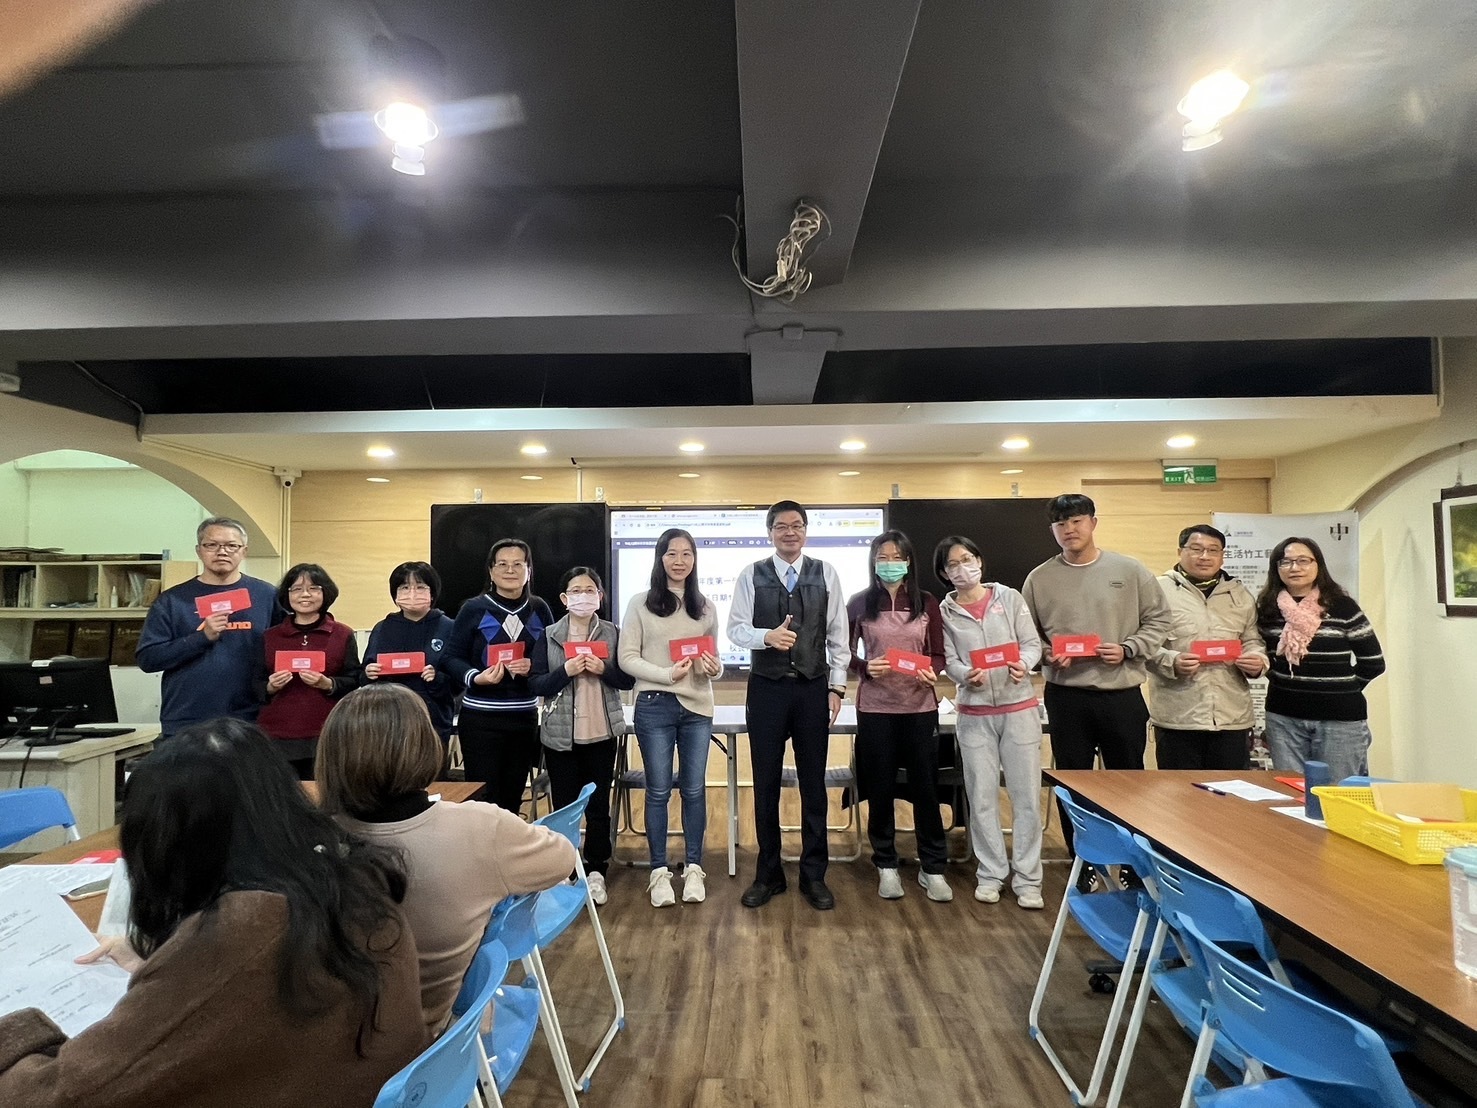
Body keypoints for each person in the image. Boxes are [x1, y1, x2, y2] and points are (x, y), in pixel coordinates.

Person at [0, 718, 426, 1106]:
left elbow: (60, 1096)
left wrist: (19, 1033)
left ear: (171, 844)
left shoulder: (243, 929)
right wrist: (165, 967)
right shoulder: (351, 879)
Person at [316, 684, 576, 1036]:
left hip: (341, 1040)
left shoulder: (314, 844)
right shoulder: (481, 827)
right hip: (436, 1041)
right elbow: (563, 858)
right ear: (425, 746)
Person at [1022, 494, 1170, 879]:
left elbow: (1159, 621)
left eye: (1076, 521)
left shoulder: (1130, 570)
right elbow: (1026, 636)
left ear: (1093, 522)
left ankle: (1134, 864)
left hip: (1122, 694)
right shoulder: (1039, 578)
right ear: (1052, 530)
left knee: (1128, 781)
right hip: (1066, 696)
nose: (1069, 529)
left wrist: (1128, 648)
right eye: (1060, 524)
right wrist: (1047, 655)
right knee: (1072, 781)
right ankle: (1083, 861)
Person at [727, 500, 851, 911]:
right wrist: (766, 637)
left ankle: (814, 875)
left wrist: (837, 688)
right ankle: (768, 874)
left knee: (813, 783)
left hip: (813, 688)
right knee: (765, 783)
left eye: (797, 525)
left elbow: (838, 635)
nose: (790, 532)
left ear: (806, 531)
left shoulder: (825, 573)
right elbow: (735, 629)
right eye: (781, 526)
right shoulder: (751, 574)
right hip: (767, 689)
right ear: (770, 532)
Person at [936, 536, 1047, 910]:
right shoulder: (945, 612)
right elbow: (949, 660)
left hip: (1019, 711)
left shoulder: (1009, 598)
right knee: (981, 797)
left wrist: (1024, 664)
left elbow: (1031, 644)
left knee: (1026, 797)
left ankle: (1029, 879)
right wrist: (964, 675)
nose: (962, 568)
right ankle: (991, 874)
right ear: (944, 573)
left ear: (979, 561)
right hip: (974, 715)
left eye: (967, 559)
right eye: (952, 564)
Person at [619, 528, 724, 908]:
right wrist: (666, 674)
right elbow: (626, 658)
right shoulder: (640, 603)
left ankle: (694, 867)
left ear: (695, 560)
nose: (679, 561)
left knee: (694, 790)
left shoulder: (706, 607)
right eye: (671, 553)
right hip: (654, 704)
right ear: (660, 558)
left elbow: (714, 662)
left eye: (686, 554)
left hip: (697, 708)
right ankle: (659, 871)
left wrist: (713, 668)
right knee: (659, 791)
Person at [845, 530, 950, 902]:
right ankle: (885, 864)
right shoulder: (860, 603)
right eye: (882, 557)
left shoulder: (926, 602)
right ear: (873, 561)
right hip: (875, 710)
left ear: (908, 561)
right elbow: (842, 652)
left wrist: (932, 670)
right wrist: (864, 667)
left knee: (926, 789)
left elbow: (939, 654)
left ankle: (932, 867)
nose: (889, 564)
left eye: (896, 557)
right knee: (880, 789)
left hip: (919, 708)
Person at [528, 566, 635, 907]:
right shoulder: (549, 636)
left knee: (599, 806)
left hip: (601, 733)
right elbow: (536, 683)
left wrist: (604, 670)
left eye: (590, 591)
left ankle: (596, 870)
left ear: (600, 597)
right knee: (564, 807)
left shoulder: (613, 633)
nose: (583, 597)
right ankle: (566, 870)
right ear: (564, 598)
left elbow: (627, 680)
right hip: (561, 736)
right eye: (576, 591)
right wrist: (565, 671)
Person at [1255, 536, 1385, 783]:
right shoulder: (1268, 609)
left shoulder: (1342, 607)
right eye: (1286, 562)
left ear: (1318, 565)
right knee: (1290, 791)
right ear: (1276, 568)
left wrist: (1340, 690)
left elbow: (1374, 662)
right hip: (1283, 717)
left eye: (1303, 561)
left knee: (1336, 792)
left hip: (1340, 720)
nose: (1295, 567)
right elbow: (1264, 657)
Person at [135, 516, 278, 739]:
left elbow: (283, 648)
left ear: (244, 551)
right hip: (187, 720)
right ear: (199, 550)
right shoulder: (172, 600)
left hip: (250, 718)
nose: (222, 552)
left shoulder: (267, 595)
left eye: (231, 545)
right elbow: (148, 659)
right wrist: (201, 637)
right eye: (212, 545)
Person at [443, 538, 553, 812]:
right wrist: (475, 677)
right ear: (491, 571)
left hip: (524, 718)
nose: (510, 570)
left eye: (518, 564)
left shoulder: (539, 608)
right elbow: (450, 658)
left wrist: (533, 665)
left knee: (512, 798)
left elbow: (553, 656)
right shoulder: (474, 608)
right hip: (481, 719)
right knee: (483, 800)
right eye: (502, 564)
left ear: (529, 570)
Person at [1147, 525, 1269, 770]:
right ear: (1180, 552)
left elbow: (1253, 640)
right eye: (1196, 549)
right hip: (1179, 717)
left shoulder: (1239, 594)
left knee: (1231, 789)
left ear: (1222, 556)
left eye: (1213, 550)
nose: (1205, 556)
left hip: (1232, 717)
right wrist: (1171, 661)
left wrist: (1257, 661)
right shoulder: (1157, 591)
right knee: (1179, 791)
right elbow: (1144, 643)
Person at [258, 563, 361, 778]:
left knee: (325, 792)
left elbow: (354, 680)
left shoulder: (342, 634)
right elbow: (254, 683)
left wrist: (328, 684)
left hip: (327, 732)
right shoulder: (269, 636)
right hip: (277, 735)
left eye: (314, 588)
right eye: (297, 589)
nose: (305, 595)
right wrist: (270, 686)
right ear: (287, 595)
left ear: (326, 593)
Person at [361, 561, 458, 745]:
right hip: (388, 721)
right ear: (395, 594)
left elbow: (459, 681)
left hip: (433, 721)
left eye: (420, 587)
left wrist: (437, 678)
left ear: (432, 593)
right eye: (405, 587)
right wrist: (368, 673)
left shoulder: (449, 628)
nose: (412, 593)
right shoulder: (383, 628)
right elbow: (363, 675)